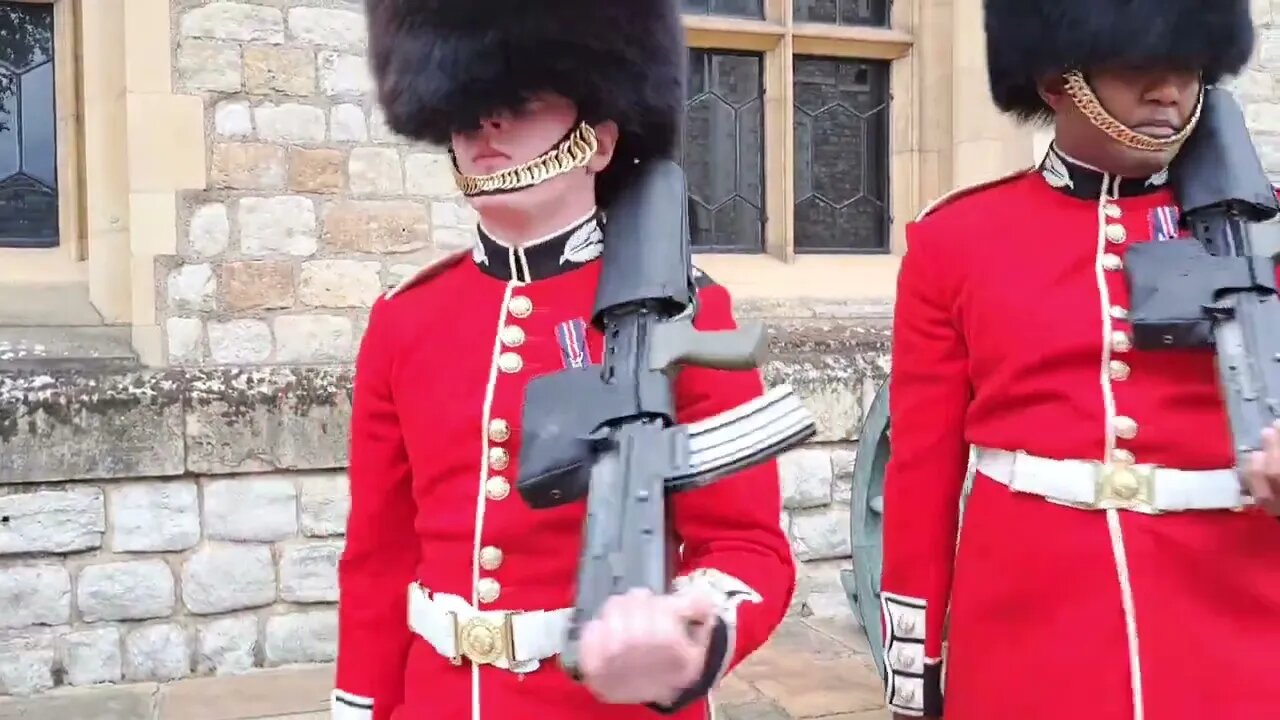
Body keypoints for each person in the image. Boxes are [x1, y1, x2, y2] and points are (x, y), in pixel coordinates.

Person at [331, 2, 796, 719]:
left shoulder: (685, 310)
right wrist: (362, 705)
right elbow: (378, 557)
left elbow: (745, 544)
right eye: (468, 106)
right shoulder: (406, 319)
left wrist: (690, 627)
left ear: (599, 140)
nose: (488, 124)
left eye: (520, 102)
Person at [879, 0, 1280, 718]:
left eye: (1187, 66)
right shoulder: (957, 242)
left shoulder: (1266, 233)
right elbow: (922, 476)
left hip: (1240, 627)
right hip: (1029, 634)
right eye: (1137, 67)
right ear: (1055, 79)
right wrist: (918, 667)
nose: (1170, 91)